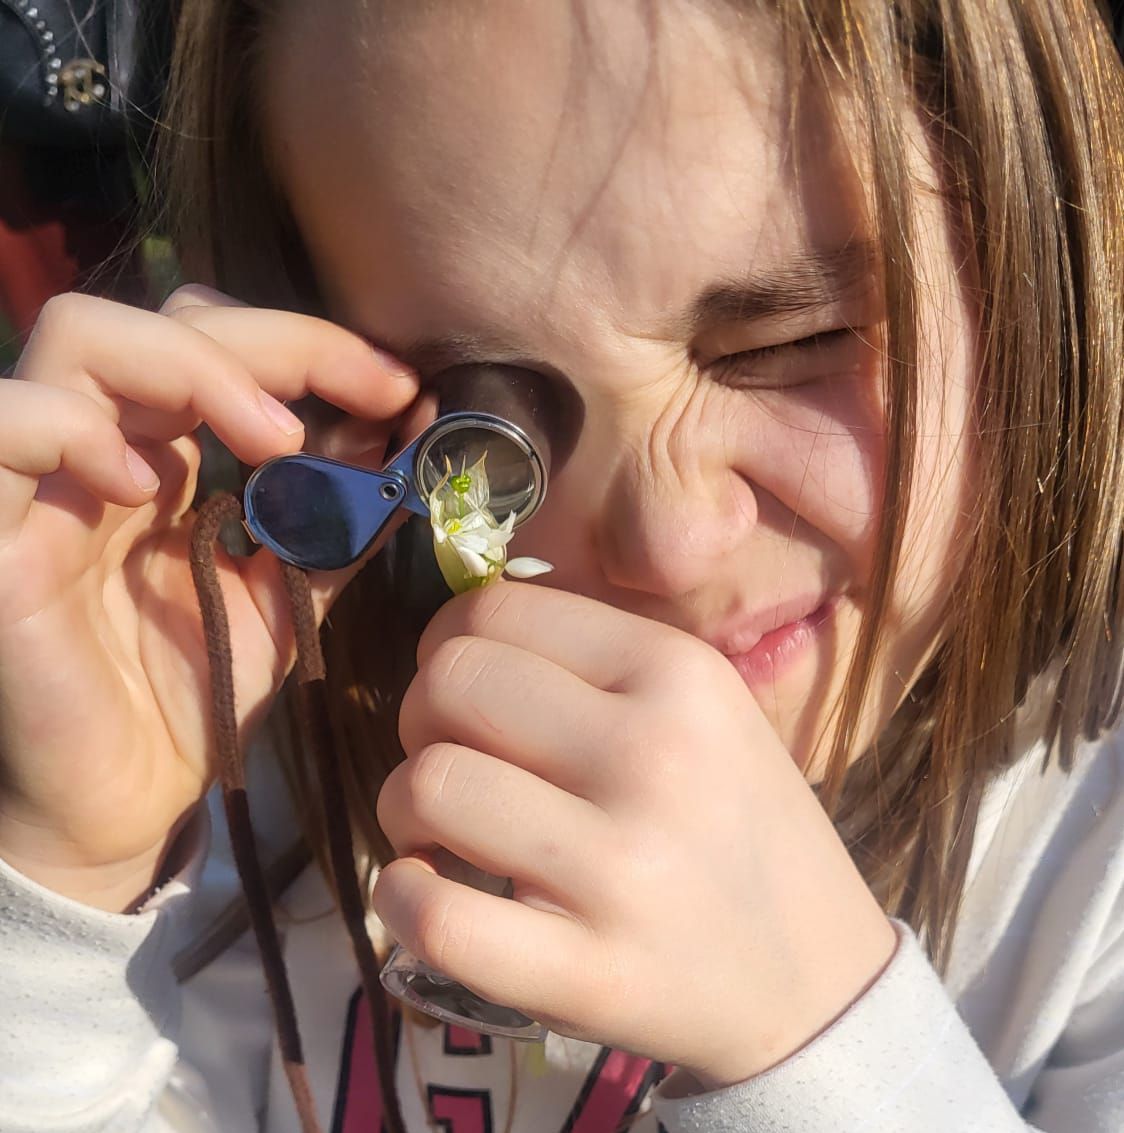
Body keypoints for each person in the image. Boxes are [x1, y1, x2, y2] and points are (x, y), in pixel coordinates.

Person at [1, 1, 1123, 1130]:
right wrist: (56, 894)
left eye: (792, 343)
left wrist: (817, 1054)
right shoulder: (228, 781)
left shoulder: (1091, 860)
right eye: (485, 428)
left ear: (1044, 255)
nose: (667, 548)